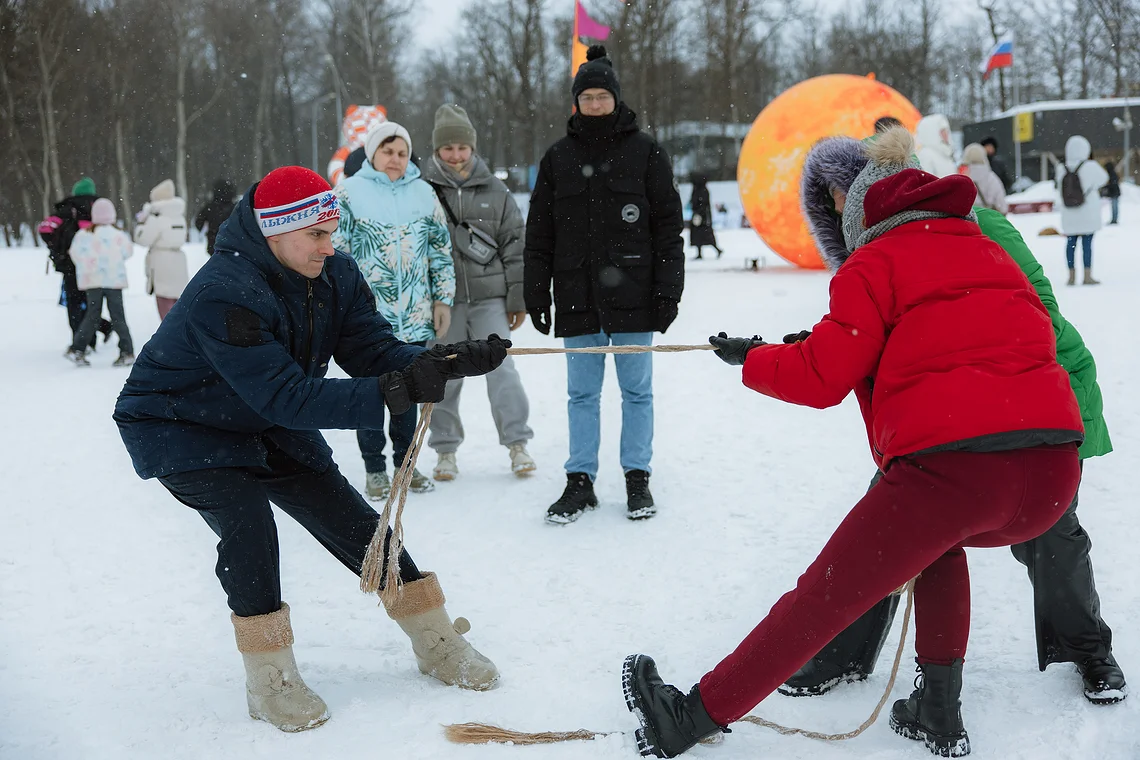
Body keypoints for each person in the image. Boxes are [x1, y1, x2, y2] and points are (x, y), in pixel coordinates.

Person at [622, 129, 1084, 758]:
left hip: (957, 473)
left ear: (865, 210)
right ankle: (937, 710)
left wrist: (755, 360)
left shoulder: (875, 261)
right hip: (1053, 472)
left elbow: (820, 379)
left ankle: (686, 719)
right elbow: (956, 336)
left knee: (823, 595)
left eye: (841, 205)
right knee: (939, 546)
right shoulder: (988, 252)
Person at [113, 165, 507, 733]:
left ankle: (435, 638)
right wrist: (396, 390)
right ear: (275, 233)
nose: (330, 246)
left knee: (352, 521)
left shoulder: (334, 273)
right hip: (181, 422)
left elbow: (371, 349)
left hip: (262, 417)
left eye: (332, 232)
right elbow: (287, 396)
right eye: (316, 235)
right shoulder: (224, 292)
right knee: (248, 525)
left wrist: (436, 361)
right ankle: (269, 678)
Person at [779, 132, 1126, 708]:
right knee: (889, 524)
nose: (841, 207)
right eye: (831, 200)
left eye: (844, 192)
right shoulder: (874, 248)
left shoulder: (978, 226)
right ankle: (842, 657)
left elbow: (1037, 308)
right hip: (941, 412)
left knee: (1053, 533)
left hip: (1034, 390)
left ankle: (1090, 651)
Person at [524, 45, 684, 524]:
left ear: (616, 99)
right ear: (576, 102)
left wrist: (668, 291)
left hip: (635, 295)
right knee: (581, 395)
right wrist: (536, 290)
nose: (594, 105)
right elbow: (539, 233)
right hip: (577, 296)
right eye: (586, 97)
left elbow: (668, 229)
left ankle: (637, 477)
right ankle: (580, 481)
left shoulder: (646, 152)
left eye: (602, 96)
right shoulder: (558, 158)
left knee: (637, 392)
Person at [332, 121, 456, 499]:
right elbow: (334, 254)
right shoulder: (348, 193)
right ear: (372, 153)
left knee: (408, 395)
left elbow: (440, 250)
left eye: (402, 153)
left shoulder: (423, 192)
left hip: (415, 318)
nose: (395, 159)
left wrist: (442, 300)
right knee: (370, 395)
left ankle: (406, 467)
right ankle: (375, 470)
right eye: (388, 151)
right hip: (367, 320)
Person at [421, 104, 536, 481]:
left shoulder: (495, 190)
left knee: (502, 370)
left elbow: (515, 245)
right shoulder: (421, 190)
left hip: (490, 299)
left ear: (472, 147)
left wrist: (517, 298)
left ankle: (518, 443)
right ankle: (445, 450)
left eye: (462, 147)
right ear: (437, 149)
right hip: (443, 303)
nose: (455, 155)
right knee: (444, 374)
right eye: (447, 148)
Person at [38, 176, 112, 350]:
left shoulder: (67, 208)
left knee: (74, 304)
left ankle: (79, 340)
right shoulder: (99, 208)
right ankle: (94, 336)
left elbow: (45, 228)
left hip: (70, 265)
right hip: (95, 265)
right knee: (91, 303)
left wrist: (57, 247)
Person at [64, 198, 135, 367]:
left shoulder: (83, 235)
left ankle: (77, 348)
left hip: (93, 281)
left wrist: (88, 266)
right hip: (114, 281)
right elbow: (128, 252)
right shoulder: (118, 235)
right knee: (118, 316)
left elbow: (74, 253)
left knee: (92, 316)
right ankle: (127, 351)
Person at [1057, 135, 1109, 286]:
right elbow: (1104, 179)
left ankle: (1071, 276)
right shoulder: (1091, 166)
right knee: (1087, 244)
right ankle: (1087, 275)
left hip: (1069, 213)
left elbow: (1058, 187)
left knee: (1070, 244)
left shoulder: (1061, 167)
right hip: (1087, 213)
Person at [134, 179, 190, 318]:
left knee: (165, 307)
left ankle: (170, 331)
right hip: (178, 263)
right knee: (178, 306)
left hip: (161, 263)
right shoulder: (179, 218)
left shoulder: (156, 219)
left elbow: (143, 239)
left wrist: (141, 224)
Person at [194, 178, 237, 255]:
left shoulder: (210, 207)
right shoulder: (235, 208)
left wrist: (206, 231)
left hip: (214, 242)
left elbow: (198, 222)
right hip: (232, 243)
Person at [961, 143, 1008, 213]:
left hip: (968, 218)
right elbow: (1003, 207)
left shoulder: (960, 179)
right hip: (988, 217)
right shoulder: (992, 178)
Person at [687, 173, 722, 259]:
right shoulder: (701, 189)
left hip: (701, 216)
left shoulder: (700, 190)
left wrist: (698, 212)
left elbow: (701, 204)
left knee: (703, 234)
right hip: (701, 216)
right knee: (702, 235)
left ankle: (715, 249)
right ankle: (702, 252)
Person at [915, 114, 957, 178]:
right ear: (931, 133)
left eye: (946, 130)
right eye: (942, 131)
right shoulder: (926, 155)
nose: (946, 134)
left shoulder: (945, 153)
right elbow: (927, 181)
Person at [1103, 159, 1121, 225]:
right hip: (1115, 192)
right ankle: (1114, 219)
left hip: (1114, 193)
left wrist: (1106, 187)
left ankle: (1114, 219)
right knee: (1114, 207)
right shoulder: (1113, 173)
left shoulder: (1111, 173)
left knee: (1114, 207)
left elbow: (1112, 184)